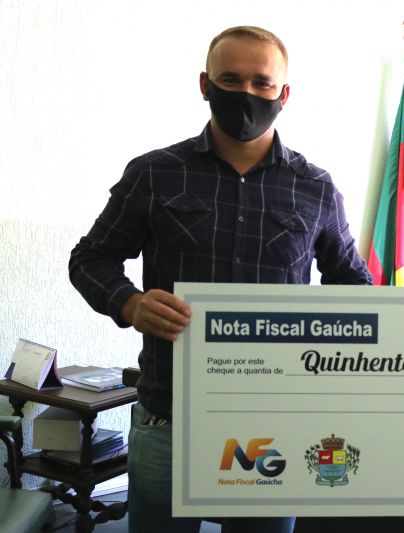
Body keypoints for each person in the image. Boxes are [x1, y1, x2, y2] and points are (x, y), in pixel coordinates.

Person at [69, 25, 371, 533]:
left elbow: (354, 286)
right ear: (205, 85)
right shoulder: (154, 173)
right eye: (230, 80)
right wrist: (130, 303)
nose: (246, 94)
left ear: (284, 94)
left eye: (262, 82)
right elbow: (90, 259)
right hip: (169, 413)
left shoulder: (316, 187)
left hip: (275, 418)